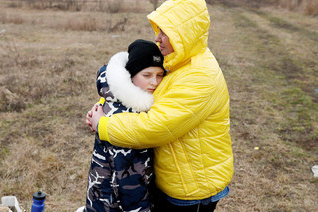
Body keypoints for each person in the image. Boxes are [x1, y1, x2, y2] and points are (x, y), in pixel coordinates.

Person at [87, 0, 233, 211]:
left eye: (165, 32)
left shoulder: (200, 77)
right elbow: (140, 86)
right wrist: (105, 105)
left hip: (192, 188)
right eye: (159, 30)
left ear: (185, 34)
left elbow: (155, 126)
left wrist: (104, 124)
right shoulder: (179, 60)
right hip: (177, 176)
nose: (157, 38)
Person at [84, 39, 165, 212]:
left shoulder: (117, 98)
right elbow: (125, 176)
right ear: (130, 76)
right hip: (113, 202)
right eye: (147, 75)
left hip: (100, 198)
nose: (155, 82)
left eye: (160, 75)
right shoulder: (125, 117)